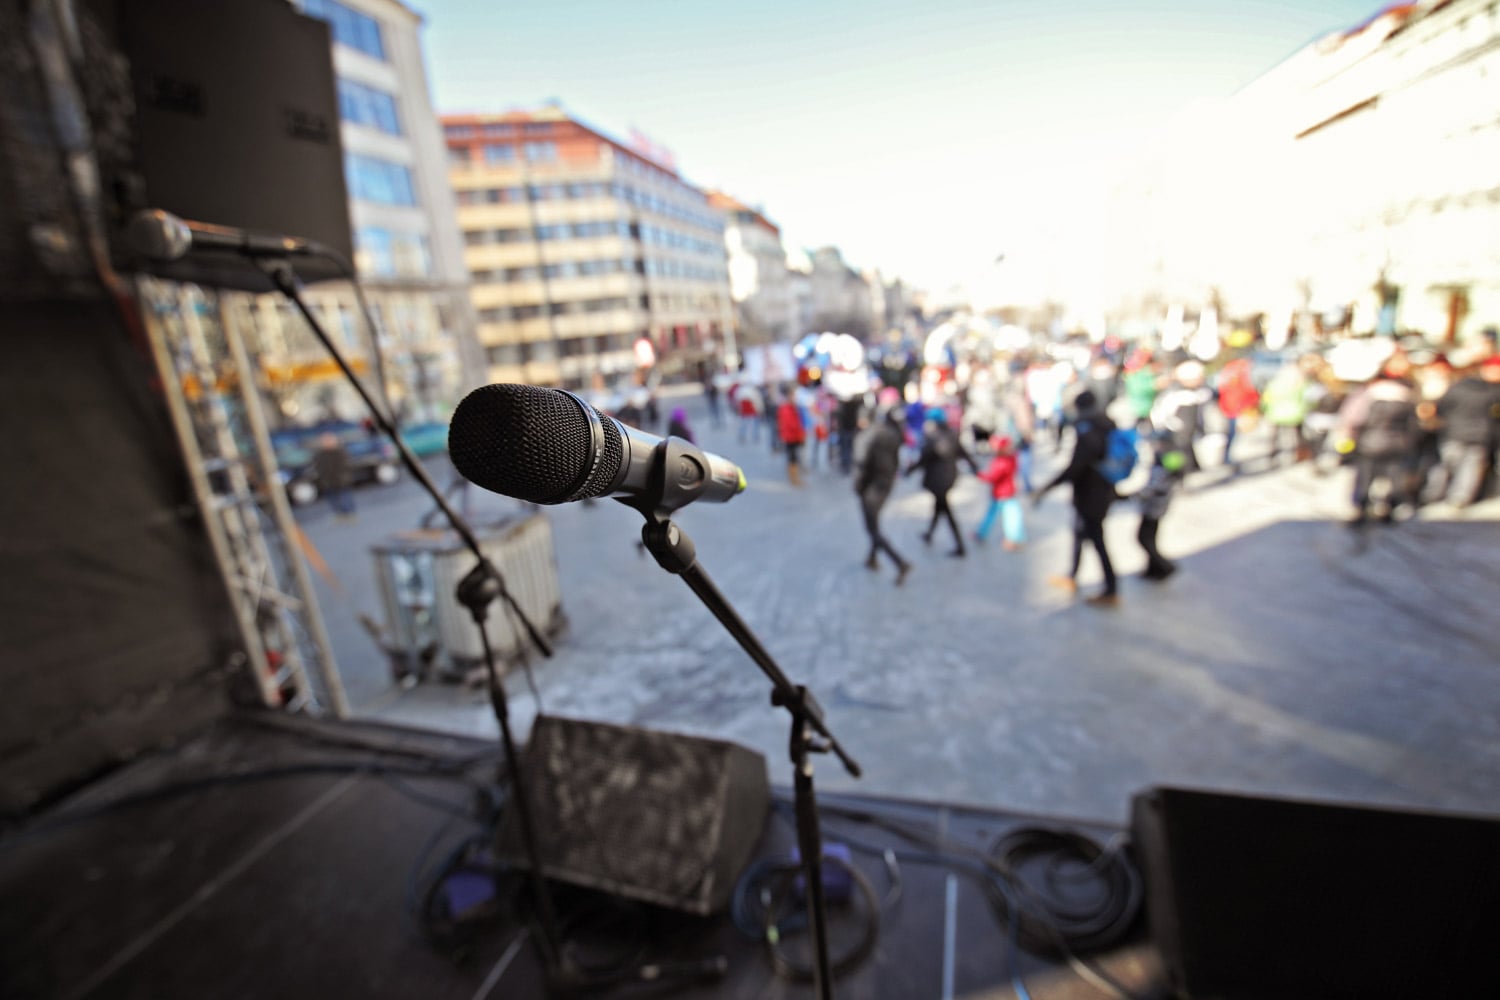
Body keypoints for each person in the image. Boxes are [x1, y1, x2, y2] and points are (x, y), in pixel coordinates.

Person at [1034, 390, 1119, 606]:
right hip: (1102, 490)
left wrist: (1046, 487)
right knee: (1080, 534)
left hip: (1090, 494)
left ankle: (1111, 588)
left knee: (1097, 540)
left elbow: (1075, 467)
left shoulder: (1088, 430)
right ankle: (1072, 576)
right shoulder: (1106, 424)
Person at [1335, 354, 1420, 524]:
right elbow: (1414, 424)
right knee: (1391, 477)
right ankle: (1386, 507)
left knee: (1365, 476)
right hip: (1397, 443)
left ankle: (1361, 507)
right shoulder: (1409, 394)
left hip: (1370, 441)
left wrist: (1348, 436)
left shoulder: (1370, 392)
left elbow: (1353, 418)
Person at [905, 407, 979, 557]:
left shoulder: (931, 438)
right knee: (939, 506)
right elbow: (962, 452)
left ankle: (960, 546)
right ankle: (929, 534)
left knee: (946, 510)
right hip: (949, 478)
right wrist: (974, 466)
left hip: (937, 480)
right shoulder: (952, 434)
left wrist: (908, 471)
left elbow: (922, 460)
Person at [1431, 356, 1500, 507]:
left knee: (1446, 464)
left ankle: (1435, 494)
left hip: (1453, 433)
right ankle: (1459, 497)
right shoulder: (1490, 392)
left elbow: (1441, 408)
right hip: (1479, 434)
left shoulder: (1456, 388)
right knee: (1468, 468)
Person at [854, 405, 912, 585]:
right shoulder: (892, 435)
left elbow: (864, 465)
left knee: (872, 529)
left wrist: (860, 486)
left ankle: (900, 562)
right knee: (874, 522)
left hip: (873, 487)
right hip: (886, 484)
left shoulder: (872, 437)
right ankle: (871, 558)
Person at [1134, 435, 1186, 581]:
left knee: (1143, 537)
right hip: (1161, 505)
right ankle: (1153, 569)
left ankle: (1164, 566)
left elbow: (1154, 485)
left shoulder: (1163, 461)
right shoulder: (1173, 458)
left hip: (1154, 506)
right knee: (1150, 537)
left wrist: (1134, 495)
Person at [975, 435, 1026, 550]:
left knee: (1010, 517)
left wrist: (979, 475)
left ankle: (1013, 539)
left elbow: (992, 477)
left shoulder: (1002, 462)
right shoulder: (1011, 458)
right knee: (993, 514)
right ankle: (981, 533)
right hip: (1004, 492)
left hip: (1003, 494)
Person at [1261, 358, 1315, 465]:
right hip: (1295, 414)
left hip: (1276, 414)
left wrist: (1265, 410)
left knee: (1275, 437)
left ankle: (1272, 455)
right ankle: (1296, 455)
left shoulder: (1275, 383)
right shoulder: (1302, 384)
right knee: (1296, 436)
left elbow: (1266, 398)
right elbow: (1309, 399)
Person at [1215, 358, 1259, 470]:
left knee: (1232, 433)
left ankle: (1227, 457)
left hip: (1230, 407)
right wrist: (1255, 399)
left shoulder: (1228, 375)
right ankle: (1227, 458)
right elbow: (1246, 392)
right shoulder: (1240, 377)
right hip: (1237, 409)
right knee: (1233, 433)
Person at [312, 431, 356, 521]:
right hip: (328, 481)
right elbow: (317, 466)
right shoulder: (320, 454)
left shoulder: (340, 452)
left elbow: (346, 465)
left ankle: (350, 514)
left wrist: (343, 476)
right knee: (333, 500)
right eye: (324, 441)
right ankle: (340, 515)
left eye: (328, 440)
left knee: (345, 498)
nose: (326, 443)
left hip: (341, 480)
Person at [777, 390, 807, 486]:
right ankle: (794, 478)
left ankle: (794, 476)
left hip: (794, 436)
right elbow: (790, 424)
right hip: (791, 436)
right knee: (792, 457)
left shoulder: (793, 407)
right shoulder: (786, 408)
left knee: (794, 456)